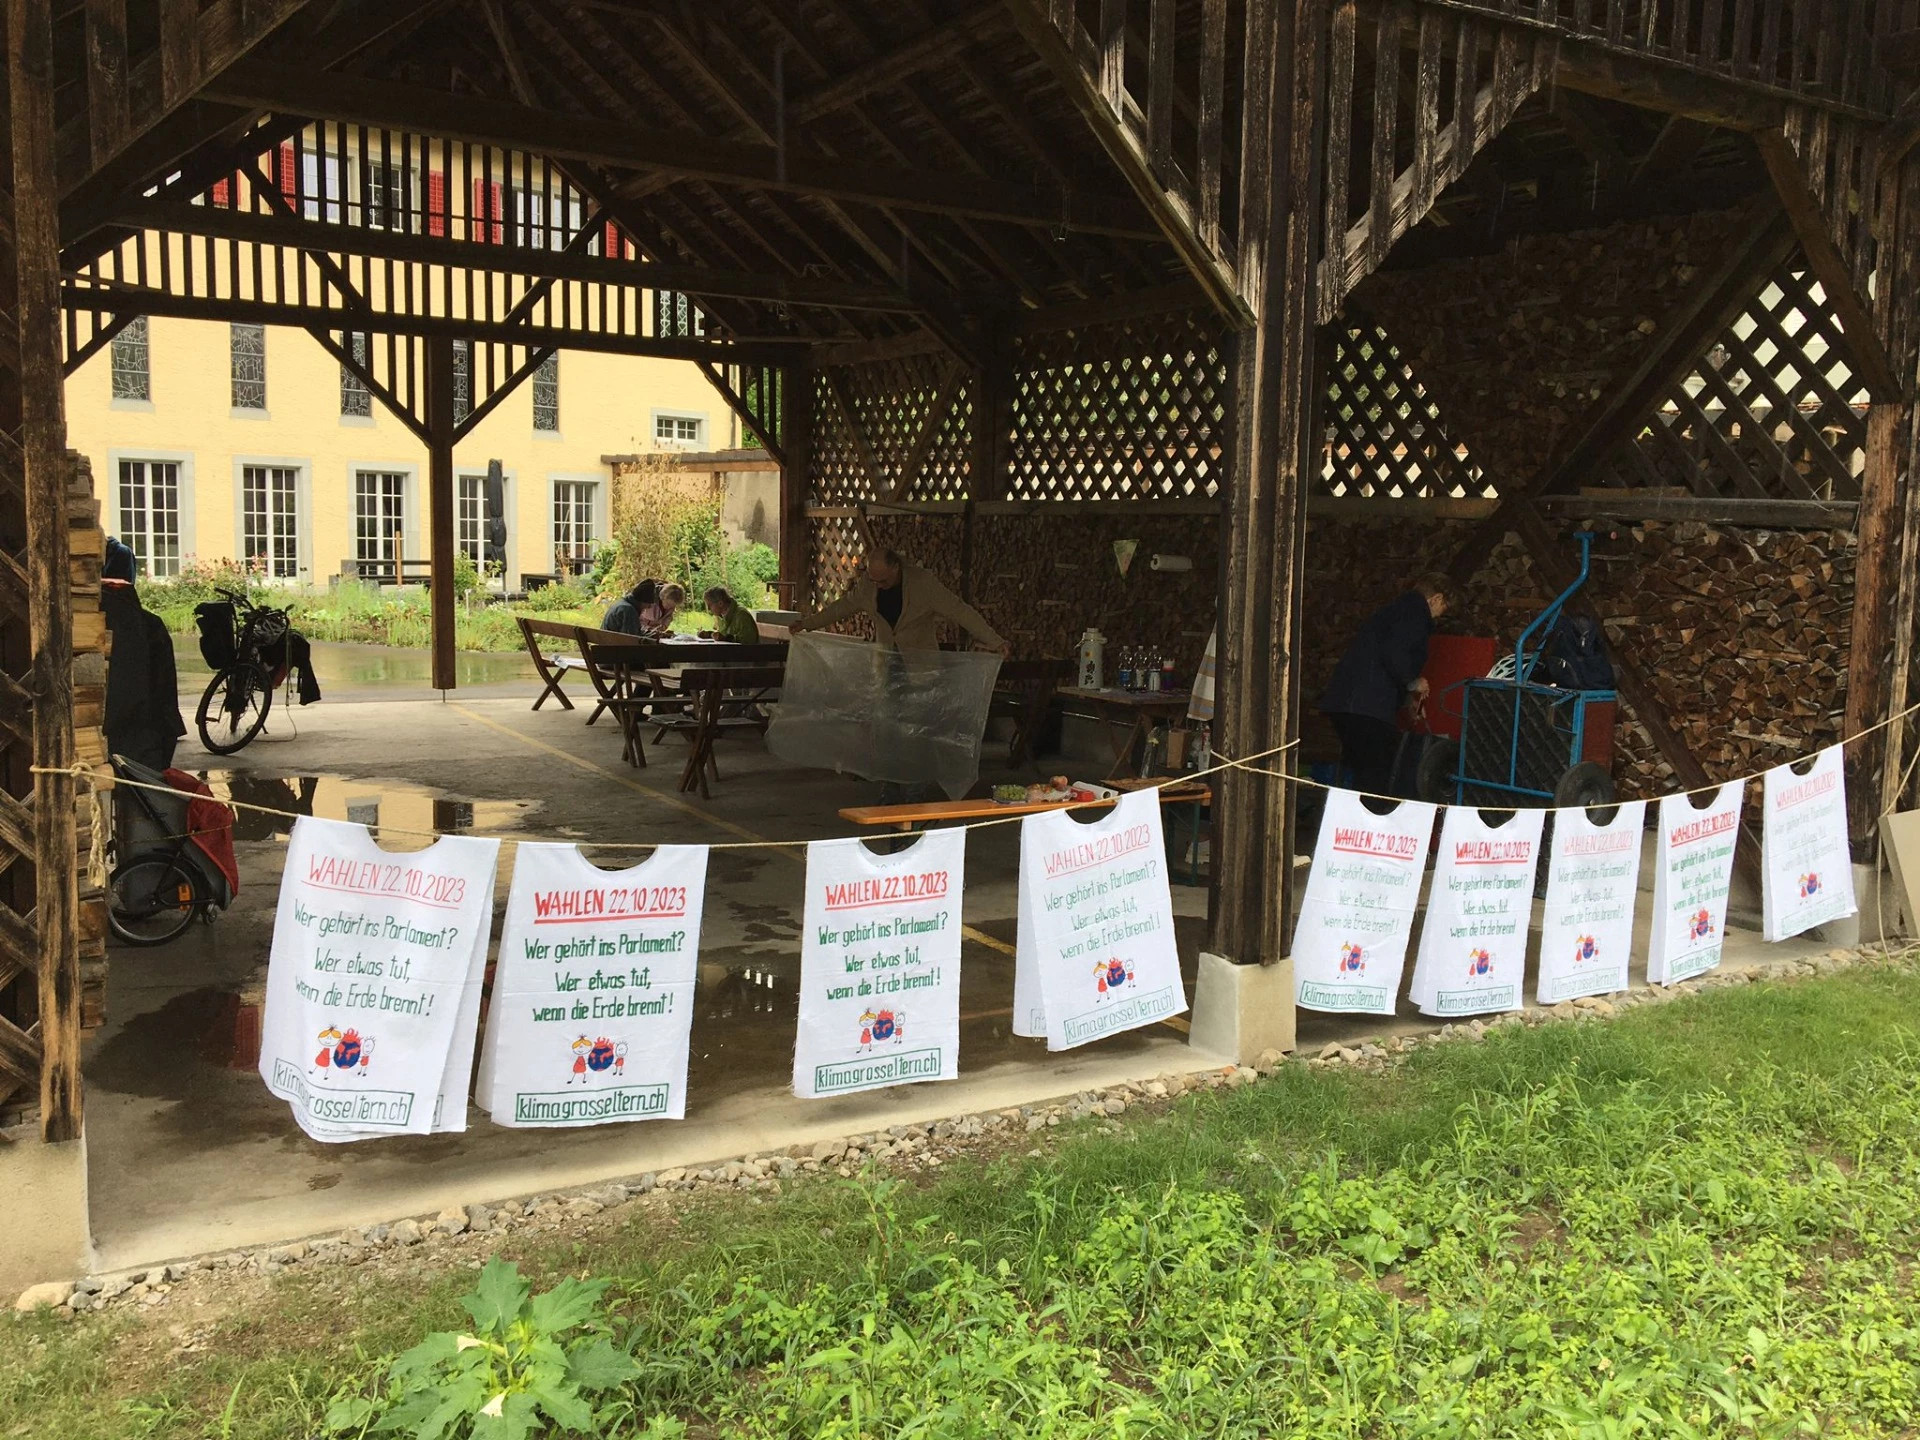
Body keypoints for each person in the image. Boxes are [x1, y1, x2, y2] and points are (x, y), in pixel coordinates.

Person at [1319, 573, 1450, 797]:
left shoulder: (1392, 611)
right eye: (1443, 608)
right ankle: (1369, 816)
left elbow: (1383, 658)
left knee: (1361, 769)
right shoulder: (1415, 614)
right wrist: (1413, 682)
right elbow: (1395, 654)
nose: (1439, 616)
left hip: (1346, 702)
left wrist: (1407, 700)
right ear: (1436, 598)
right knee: (1376, 775)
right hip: (1368, 707)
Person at [791, 548, 1009, 655]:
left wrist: (995, 641)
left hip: (920, 669)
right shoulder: (868, 585)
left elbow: (960, 611)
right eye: (873, 580)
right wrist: (807, 624)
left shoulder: (923, 584)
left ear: (896, 568)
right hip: (885, 667)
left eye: (883, 581)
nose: (878, 585)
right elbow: (842, 607)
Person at [101, 538, 187, 771]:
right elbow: (165, 696)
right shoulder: (149, 625)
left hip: (94, 738)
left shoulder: (75, 623)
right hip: (140, 743)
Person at [601, 579, 682, 637]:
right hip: (614, 652)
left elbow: (634, 633)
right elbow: (632, 640)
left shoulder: (624, 605)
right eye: (649, 603)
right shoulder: (628, 611)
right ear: (642, 601)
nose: (649, 607)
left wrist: (654, 634)